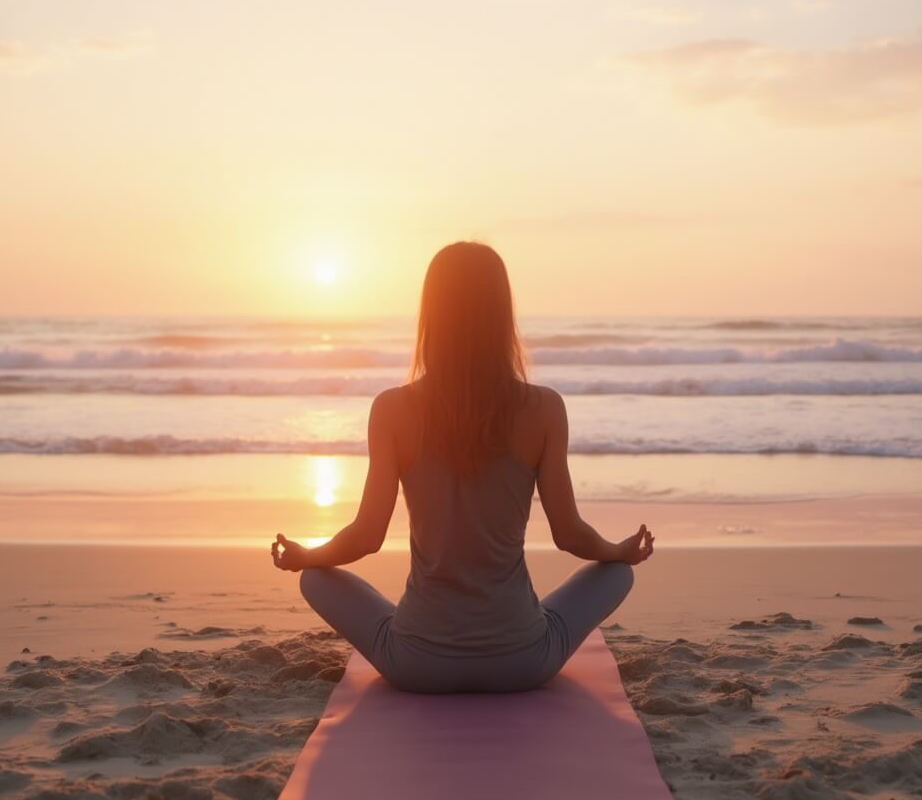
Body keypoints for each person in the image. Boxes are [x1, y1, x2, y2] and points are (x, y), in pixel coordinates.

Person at [271, 241, 654, 693]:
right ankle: (520, 619)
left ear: (431, 314)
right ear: (501, 313)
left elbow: (366, 537)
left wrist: (306, 557)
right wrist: (620, 551)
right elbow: (569, 535)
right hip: (524, 662)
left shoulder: (393, 408)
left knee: (316, 579)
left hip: (416, 665)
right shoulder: (545, 408)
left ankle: (422, 622)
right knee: (616, 574)